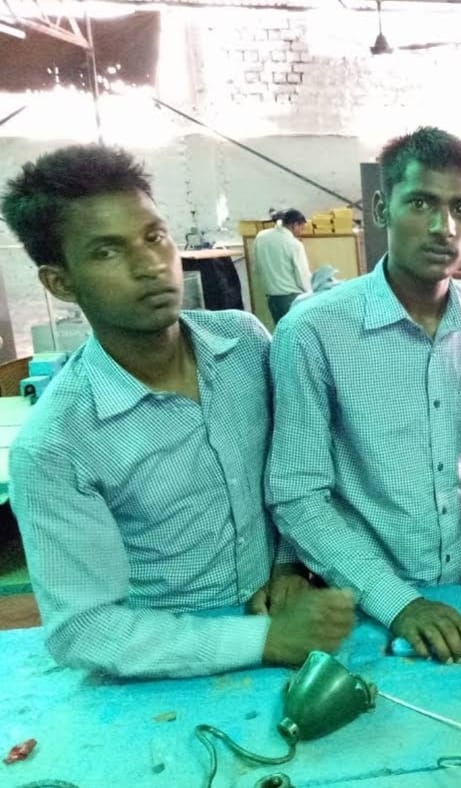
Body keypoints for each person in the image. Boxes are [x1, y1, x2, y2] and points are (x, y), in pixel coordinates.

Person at [0, 145, 355, 678]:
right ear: (60, 282)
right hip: (169, 669)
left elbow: (291, 474)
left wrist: (287, 564)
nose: (149, 266)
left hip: (288, 622)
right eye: (107, 252)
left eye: (154, 237)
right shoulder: (56, 446)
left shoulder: (244, 345)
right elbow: (84, 630)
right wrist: (263, 639)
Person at [266, 127, 461, 663]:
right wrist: (400, 604)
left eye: (460, 208)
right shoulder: (313, 331)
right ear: (380, 208)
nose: (443, 228)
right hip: (362, 605)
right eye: (421, 203)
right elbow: (298, 494)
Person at [252, 208, 311, 324]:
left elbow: (257, 268)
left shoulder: (260, 237)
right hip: (292, 299)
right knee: (297, 332)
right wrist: (311, 294)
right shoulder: (294, 244)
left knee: (281, 331)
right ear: (294, 225)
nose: (301, 232)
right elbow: (302, 276)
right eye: (301, 228)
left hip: (272, 299)